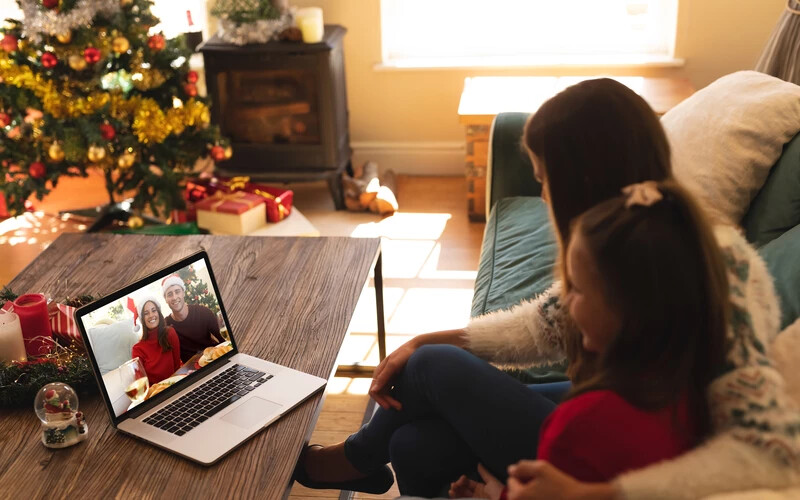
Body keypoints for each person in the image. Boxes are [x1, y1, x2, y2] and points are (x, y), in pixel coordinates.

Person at [296, 79, 799, 498]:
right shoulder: (636, 238)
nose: (541, 194)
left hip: (631, 451)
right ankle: (369, 458)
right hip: (618, 414)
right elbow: (543, 327)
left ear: (583, 179)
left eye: (543, 179)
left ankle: (358, 458)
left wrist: (597, 495)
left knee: (430, 373)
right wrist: (422, 340)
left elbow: (763, 450)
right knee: (414, 445)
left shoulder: (714, 270)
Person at [161, 274, 222, 362]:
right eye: (169, 294)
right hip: (191, 370)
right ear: (166, 299)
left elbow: (222, 339)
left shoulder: (203, 312)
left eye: (177, 291)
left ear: (183, 293)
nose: (174, 297)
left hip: (212, 360)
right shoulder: (165, 326)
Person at [131, 296, 181, 385]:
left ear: (158, 313)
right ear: (143, 319)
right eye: (146, 313)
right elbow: (142, 383)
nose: (151, 315)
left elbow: (177, 367)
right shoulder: (137, 349)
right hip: (156, 393)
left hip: (176, 384)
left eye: (154, 310)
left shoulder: (170, 333)